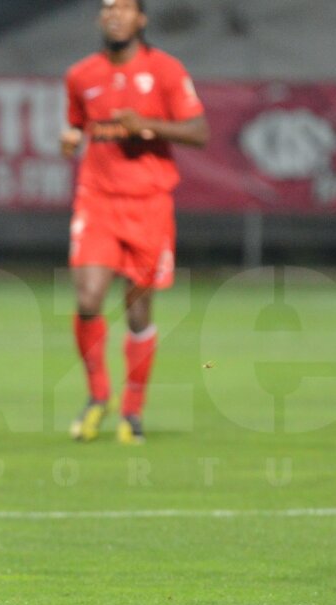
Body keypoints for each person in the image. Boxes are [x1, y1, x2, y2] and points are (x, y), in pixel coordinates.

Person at [61, 0, 208, 444]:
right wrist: (71, 139)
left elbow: (199, 132)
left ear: (141, 18)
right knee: (88, 297)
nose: (114, 14)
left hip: (148, 205)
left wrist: (145, 124)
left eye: (124, 7)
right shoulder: (80, 75)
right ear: (99, 18)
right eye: (107, 7)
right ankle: (98, 395)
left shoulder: (163, 70)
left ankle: (133, 411)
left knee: (139, 311)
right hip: (97, 201)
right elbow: (78, 128)